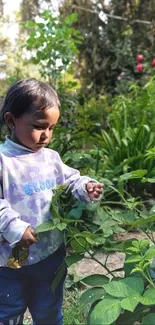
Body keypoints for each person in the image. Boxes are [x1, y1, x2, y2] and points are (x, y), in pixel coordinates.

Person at [0, 78, 103, 325]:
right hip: (7, 262)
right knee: (8, 311)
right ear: (11, 120)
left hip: (50, 255)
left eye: (52, 128)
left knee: (49, 310)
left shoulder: (51, 159)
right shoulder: (4, 162)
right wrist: (15, 226)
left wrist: (85, 187)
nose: (46, 135)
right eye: (38, 126)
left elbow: (70, 180)